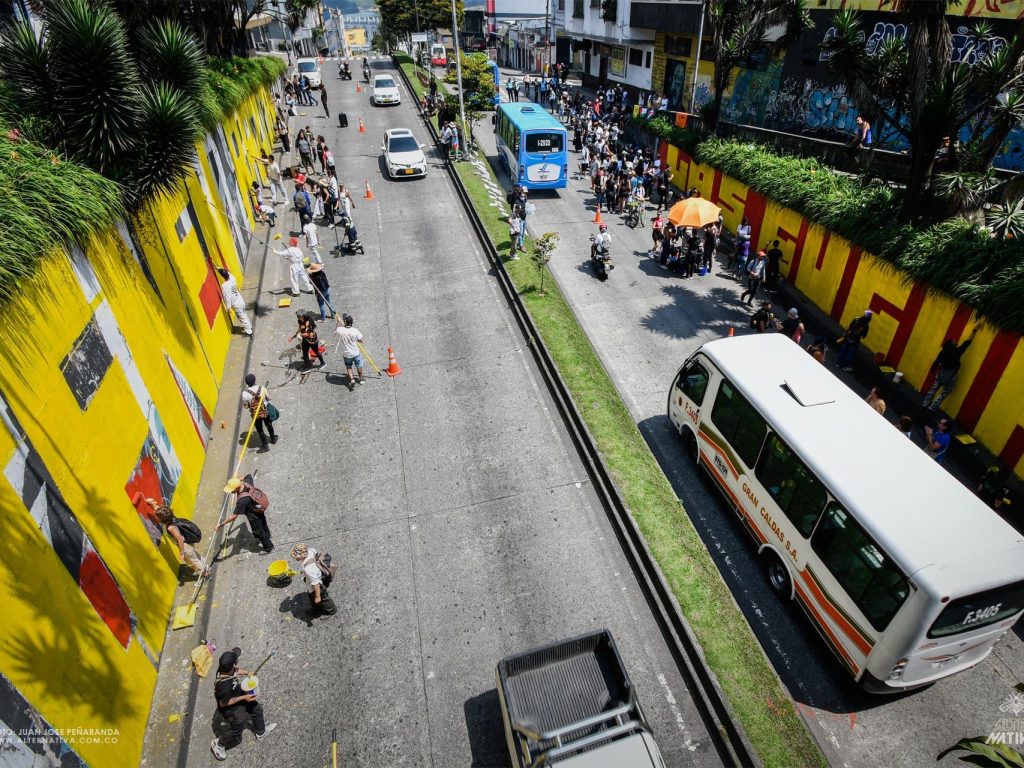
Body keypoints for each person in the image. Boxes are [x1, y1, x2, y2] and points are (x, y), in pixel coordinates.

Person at [210, 647, 277, 760]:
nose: (237, 664)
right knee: (237, 729)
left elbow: (236, 670)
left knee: (256, 709)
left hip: (237, 695)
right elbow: (224, 703)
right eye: (236, 662)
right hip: (230, 709)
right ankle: (219, 744)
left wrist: (247, 673)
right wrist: (245, 697)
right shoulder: (224, 686)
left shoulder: (226, 669)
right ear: (231, 666)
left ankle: (261, 732)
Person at [149, 500, 208, 579]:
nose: (155, 516)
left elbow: (179, 539)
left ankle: (205, 574)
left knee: (192, 561)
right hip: (187, 543)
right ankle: (205, 566)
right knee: (194, 556)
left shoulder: (171, 527)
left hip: (184, 546)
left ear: (161, 519)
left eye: (157, 516)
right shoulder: (170, 517)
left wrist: (182, 552)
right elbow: (160, 511)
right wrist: (152, 504)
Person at [922, 329, 977, 412]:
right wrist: (974, 331)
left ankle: (925, 404)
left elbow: (936, 362)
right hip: (951, 377)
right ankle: (932, 408)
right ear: (953, 345)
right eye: (954, 341)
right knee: (943, 394)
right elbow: (967, 342)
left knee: (932, 390)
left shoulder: (943, 352)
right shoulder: (957, 352)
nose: (956, 341)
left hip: (941, 374)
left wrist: (932, 371)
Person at [220, 475, 274, 553]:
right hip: (259, 509)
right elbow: (248, 475)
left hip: (253, 516)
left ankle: (269, 548)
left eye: (231, 490)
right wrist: (237, 480)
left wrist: (221, 524)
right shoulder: (247, 483)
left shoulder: (242, 501)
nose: (231, 492)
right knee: (263, 523)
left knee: (259, 531)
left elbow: (234, 516)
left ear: (236, 488)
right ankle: (268, 536)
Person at [292, 543, 337, 619]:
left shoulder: (309, 569)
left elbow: (316, 584)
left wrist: (318, 596)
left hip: (318, 585)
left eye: (296, 556)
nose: (295, 557)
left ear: (302, 555)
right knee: (311, 597)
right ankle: (316, 609)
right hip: (314, 579)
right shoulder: (310, 550)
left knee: (324, 599)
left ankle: (332, 610)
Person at [241, 373, 277, 451]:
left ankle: (265, 446)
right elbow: (269, 398)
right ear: (255, 380)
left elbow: (246, 406)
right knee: (269, 425)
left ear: (247, 383)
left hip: (255, 414)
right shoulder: (262, 388)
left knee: (260, 429)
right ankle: (273, 439)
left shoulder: (244, 393)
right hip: (265, 411)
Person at [217, 268, 252, 336]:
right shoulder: (232, 278)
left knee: (242, 317)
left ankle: (249, 330)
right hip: (240, 300)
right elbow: (229, 273)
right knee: (244, 314)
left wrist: (228, 307)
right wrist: (219, 269)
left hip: (236, 304)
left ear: (222, 276)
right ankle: (249, 325)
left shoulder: (224, 285)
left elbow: (227, 297)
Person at [335, 313, 365, 389]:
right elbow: (361, 340)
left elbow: (335, 331)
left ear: (345, 322)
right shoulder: (355, 331)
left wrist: (338, 322)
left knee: (349, 366)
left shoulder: (340, 330)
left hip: (346, 354)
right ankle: (361, 379)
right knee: (359, 365)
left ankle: (351, 379)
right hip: (355, 352)